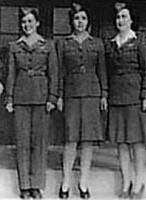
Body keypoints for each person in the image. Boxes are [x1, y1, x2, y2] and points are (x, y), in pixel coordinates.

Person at [5, 8, 58, 199]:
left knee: (40, 143)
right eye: (24, 22)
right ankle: (24, 186)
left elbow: (54, 73)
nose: (27, 25)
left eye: (30, 21)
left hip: (41, 97)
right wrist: (9, 98)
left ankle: (37, 185)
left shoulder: (48, 45)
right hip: (20, 97)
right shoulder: (14, 46)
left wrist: (52, 97)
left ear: (37, 23)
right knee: (22, 142)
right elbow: (10, 74)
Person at [57, 2, 107, 199]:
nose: (80, 22)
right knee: (70, 139)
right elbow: (60, 71)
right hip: (71, 95)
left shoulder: (97, 44)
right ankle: (65, 182)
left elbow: (102, 71)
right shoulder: (64, 43)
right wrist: (59, 95)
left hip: (91, 95)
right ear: (72, 21)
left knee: (87, 141)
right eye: (77, 18)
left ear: (88, 22)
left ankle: (84, 183)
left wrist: (104, 94)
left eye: (84, 19)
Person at [105, 2, 146, 199]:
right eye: (118, 17)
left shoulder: (141, 41)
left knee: (136, 141)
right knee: (121, 141)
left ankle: (139, 183)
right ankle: (126, 182)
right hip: (117, 98)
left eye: (124, 16)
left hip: (135, 98)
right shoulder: (111, 43)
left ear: (132, 20)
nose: (120, 20)